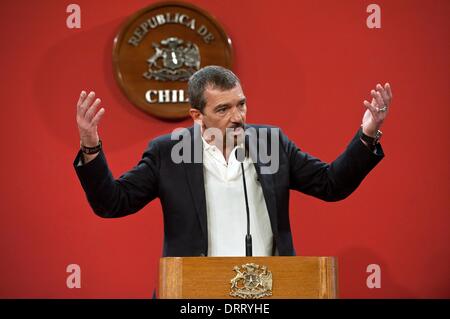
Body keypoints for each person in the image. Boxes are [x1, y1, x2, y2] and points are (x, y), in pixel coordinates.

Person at [74, 66, 392, 257]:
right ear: (197, 116)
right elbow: (112, 203)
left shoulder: (272, 143)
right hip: (195, 294)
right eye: (223, 109)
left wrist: (367, 133)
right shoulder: (168, 153)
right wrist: (90, 146)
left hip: (266, 291)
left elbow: (332, 185)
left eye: (241, 104)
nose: (238, 117)